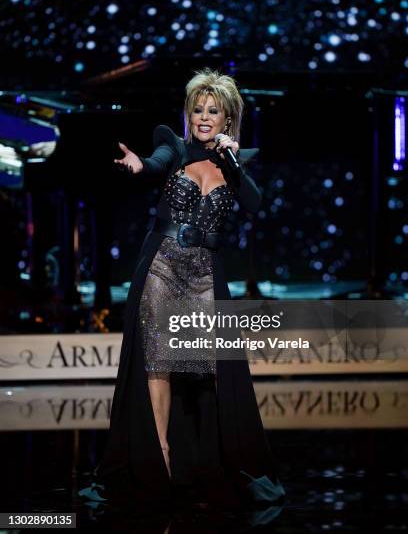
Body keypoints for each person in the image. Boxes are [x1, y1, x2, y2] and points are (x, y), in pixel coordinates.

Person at [79, 68, 284, 511]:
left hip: (204, 275)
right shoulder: (174, 146)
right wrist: (138, 165)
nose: (204, 116)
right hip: (162, 269)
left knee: (211, 369)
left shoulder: (235, 162)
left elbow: (254, 205)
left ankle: (212, 459)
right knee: (159, 366)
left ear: (228, 118)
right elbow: (152, 163)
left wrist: (231, 160)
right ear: (189, 114)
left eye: (213, 111)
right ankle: (162, 462)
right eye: (198, 109)